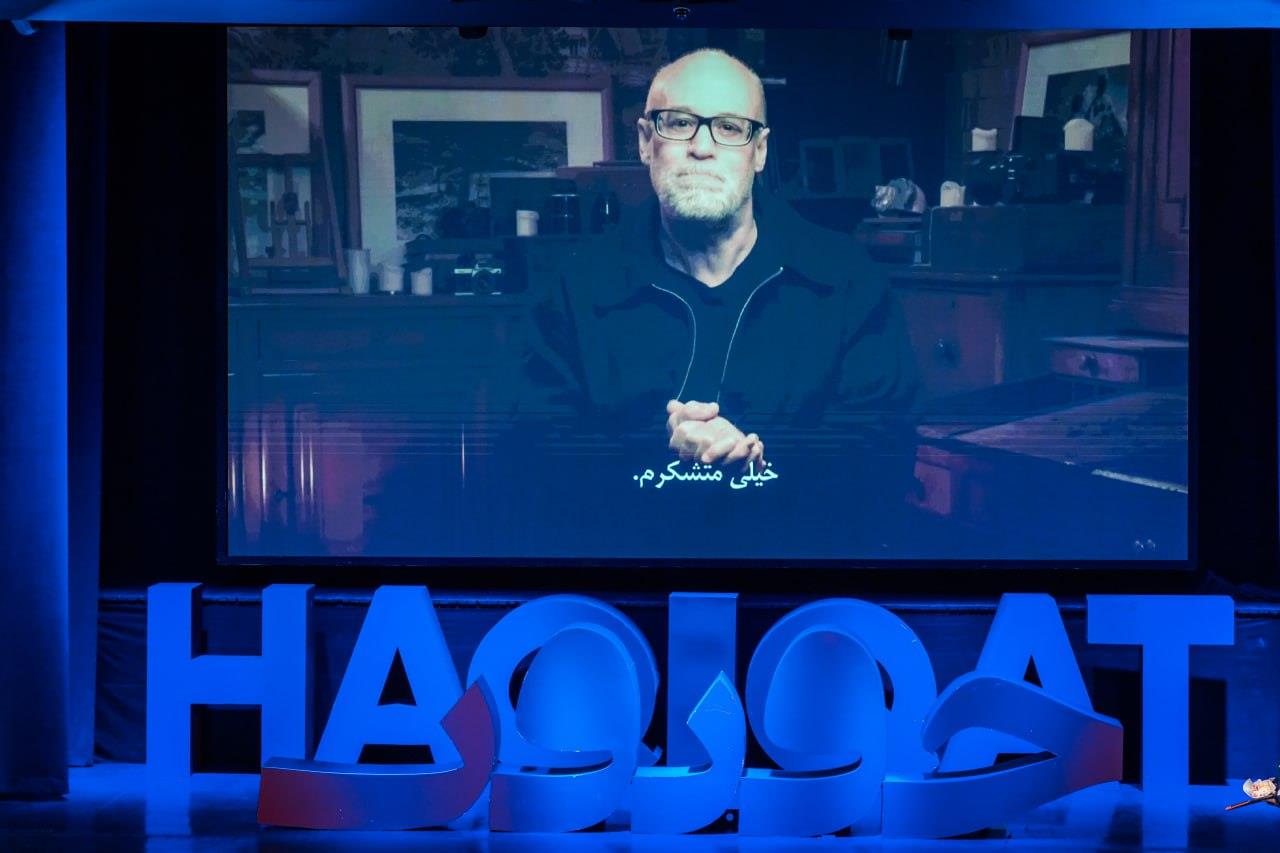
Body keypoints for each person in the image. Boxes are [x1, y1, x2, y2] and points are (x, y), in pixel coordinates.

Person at [505, 48, 921, 557]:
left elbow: (883, 457)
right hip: (629, 581)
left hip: (794, 580)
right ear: (646, 141)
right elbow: (531, 461)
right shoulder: (575, 287)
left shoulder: (849, 280)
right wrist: (663, 450)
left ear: (759, 151)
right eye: (679, 123)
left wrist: (759, 461)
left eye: (728, 127)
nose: (702, 148)